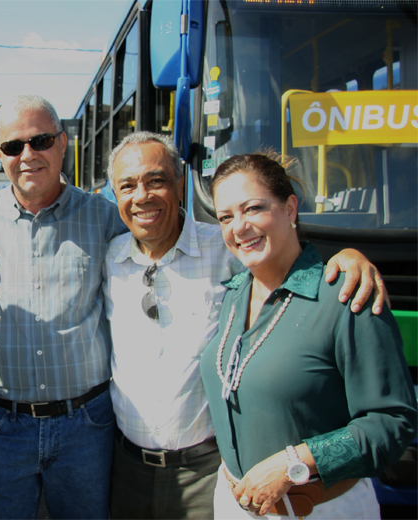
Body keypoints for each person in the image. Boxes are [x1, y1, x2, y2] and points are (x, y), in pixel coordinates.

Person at [103, 133, 388, 519]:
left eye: (156, 180)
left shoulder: (229, 251)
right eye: (127, 185)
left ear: (180, 183)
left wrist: (349, 258)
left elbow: (287, 262)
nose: (142, 196)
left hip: (210, 472)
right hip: (131, 470)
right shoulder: (108, 259)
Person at [201, 153, 416, 518]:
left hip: (319, 510)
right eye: (225, 217)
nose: (239, 227)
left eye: (253, 208)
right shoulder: (234, 294)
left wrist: (294, 462)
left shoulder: (346, 296)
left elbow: (392, 424)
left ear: (290, 209)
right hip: (234, 505)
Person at [0, 95, 127, 519]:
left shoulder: (107, 219)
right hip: (1, 426)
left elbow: (173, 246)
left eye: (40, 140)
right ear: (0, 156)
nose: (27, 155)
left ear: (63, 143)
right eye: (13, 147)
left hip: (87, 425)